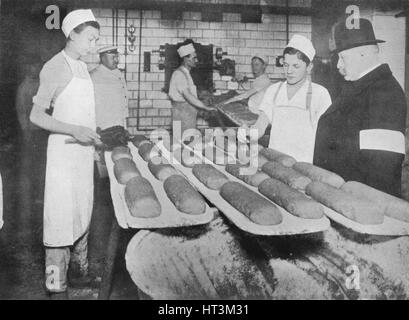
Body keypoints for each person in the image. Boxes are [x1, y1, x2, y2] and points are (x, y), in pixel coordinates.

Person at [30, 9, 101, 299]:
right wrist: (73, 130)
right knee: (60, 220)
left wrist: (93, 144)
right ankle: (55, 286)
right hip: (62, 156)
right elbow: (36, 116)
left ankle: (79, 274)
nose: (94, 46)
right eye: (90, 39)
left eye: (96, 40)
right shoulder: (54, 67)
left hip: (82, 154)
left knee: (82, 213)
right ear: (72, 34)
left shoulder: (82, 66)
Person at [314, 18, 407, 197]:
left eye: (342, 57)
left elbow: (382, 170)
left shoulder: (384, 92)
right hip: (339, 194)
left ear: (363, 54)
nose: (339, 65)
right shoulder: (359, 85)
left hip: (358, 202)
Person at [241, 35, 332, 163]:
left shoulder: (320, 94)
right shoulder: (274, 90)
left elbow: (324, 137)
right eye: (286, 65)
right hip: (275, 162)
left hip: (304, 165)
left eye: (296, 66)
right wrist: (248, 133)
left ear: (309, 67)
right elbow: (260, 125)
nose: (289, 71)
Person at [16, 54, 48, 217]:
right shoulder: (24, 87)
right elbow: (21, 112)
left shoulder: (41, 84)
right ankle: (35, 198)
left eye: (39, 66)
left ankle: (42, 195)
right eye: (34, 66)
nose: (37, 69)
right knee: (34, 166)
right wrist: (26, 132)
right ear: (29, 68)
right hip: (32, 133)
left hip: (44, 131)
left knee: (44, 165)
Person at [168, 40, 216, 133]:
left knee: (186, 142)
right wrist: (205, 107)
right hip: (182, 116)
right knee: (184, 143)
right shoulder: (179, 74)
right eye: (194, 58)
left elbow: (189, 93)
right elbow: (188, 96)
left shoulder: (186, 73)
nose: (197, 60)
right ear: (186, 59)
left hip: (187, 115)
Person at [90, 46, 128, 129]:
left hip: (119, 121)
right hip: (103, 125)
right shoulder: (94, 76)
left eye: (117, 57)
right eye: (113, 58)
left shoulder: (118, 73)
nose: (116, 60)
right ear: (102, 59)